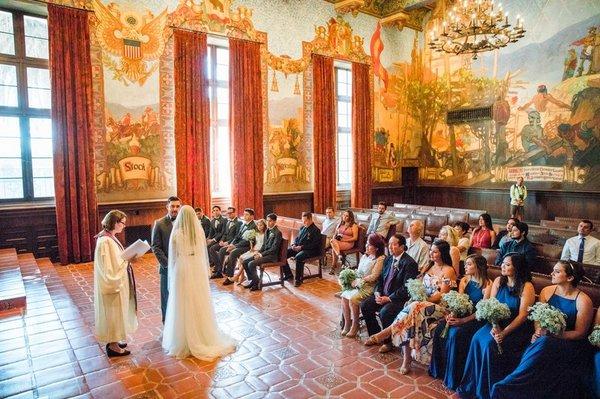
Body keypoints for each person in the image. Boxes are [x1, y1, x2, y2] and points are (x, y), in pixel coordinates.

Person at [491, 260, 594, 399]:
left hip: (569, 343)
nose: (552, 273)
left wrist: (553, 335)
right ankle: (515, 385)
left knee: (544, 343)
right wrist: (537, 331)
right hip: (544, 338)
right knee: (541, 343)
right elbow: (537, 317)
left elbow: (580, 333)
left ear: (570, 278)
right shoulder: (547, 291)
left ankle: (510, 385)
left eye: (557, 271)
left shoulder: (583, 300)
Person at [364, 239, 457, 374]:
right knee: (411, 314)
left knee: (414, 306)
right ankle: (406, 360)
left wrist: (424, 299)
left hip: (439, 307)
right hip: (421, 306)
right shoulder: (429, 267)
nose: (431, 254)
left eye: (435, 252)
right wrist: (417, 294)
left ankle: (387, 333)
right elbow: (419, 285)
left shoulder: (449, 271)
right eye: (431, 251)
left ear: (442, 253)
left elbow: (443, 295)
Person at [162, 205, 237, 360]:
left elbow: (174, 256)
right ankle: (202, 333)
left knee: (182, 300)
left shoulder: (177, 234)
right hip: (196, 268)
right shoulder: (199, 232)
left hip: (182, 268)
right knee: (198, 298)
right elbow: (202, 253)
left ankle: (182, 337)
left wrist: (173, 272)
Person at [457, 253, 535, 399]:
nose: (502, 266)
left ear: (517, 267)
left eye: (507, 264)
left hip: (514, 327)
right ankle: (471, 385)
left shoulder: (527, 286)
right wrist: (494, 324)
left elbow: (523, 316)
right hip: (495, 322)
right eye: (503, 263)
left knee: (489, 345)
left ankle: (486, 391)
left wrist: (504, 332)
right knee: (476, 338)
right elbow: (491, 306)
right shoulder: (499, 281)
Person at [429, 255, 492, 391]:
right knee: (441, 328)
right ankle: (439, 370)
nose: (465, 266)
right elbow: (458, 301)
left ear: (478, 267)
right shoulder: (464, 280)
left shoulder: (488, 285)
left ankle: (454, 377)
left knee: (456, 334)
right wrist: (452, 315)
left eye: (469, 264)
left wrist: (462, 321)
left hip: (475, 319)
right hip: (461, 314)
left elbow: (481, 311)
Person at [360, 234, 419, 354]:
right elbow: (381, 279)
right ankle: (375, 335)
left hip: (398, 299)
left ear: (402, 247)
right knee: (365, 305)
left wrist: (389, 298)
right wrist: (377, 293)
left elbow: (406, 288)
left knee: (385, 312)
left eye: (394, 244)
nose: (390, 247)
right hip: (383, 295)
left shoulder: (409, 263)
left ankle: (388, 342)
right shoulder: (388, 259)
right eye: (389, 244)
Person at [94, 210, 138, 357]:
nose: (124, 226)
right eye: (123, 223)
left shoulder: (109, 237)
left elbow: (116, 259)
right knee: (113, 312)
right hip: (113, 284)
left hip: (119, 281)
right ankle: (113, 346)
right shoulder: (105, 241)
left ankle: (115, 340)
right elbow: (109, 266)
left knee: (118, 312)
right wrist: (127, 259)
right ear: (115, 222)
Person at [340, 234, 385, 338]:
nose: (366, 246)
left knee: (353, 299)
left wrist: (360, 280)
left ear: (377, 247)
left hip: (370, 286)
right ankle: (348, 324)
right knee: (344, 296)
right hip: (359, 283)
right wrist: (351, 277)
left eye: (369, 245)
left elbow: (374, 276)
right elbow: (358, 271)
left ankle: (355, 325)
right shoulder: (365, 256)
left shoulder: (380, 259)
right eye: (366, 244)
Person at [151, 196, 181, 323]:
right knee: (166, 296)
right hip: (166, 267)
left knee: (181, 296)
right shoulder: (159, 223)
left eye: (177, 206)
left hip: (183, 267)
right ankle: (167, 323)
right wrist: (168, 265)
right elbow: (156, 247)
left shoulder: (184, 223)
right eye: (172, 206)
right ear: (167, 207)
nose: (175, 209)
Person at [242, 214, 283, 291]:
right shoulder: (267, 230)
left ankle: (256, 283)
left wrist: (261, 254)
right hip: (265, 254)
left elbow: (274, 249)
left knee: (251, 264)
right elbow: (264, 245)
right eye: (267, 220)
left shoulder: (277, 233)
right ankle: (254, 280)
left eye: (270, 221)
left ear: (274, 221)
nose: (268, 222)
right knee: (245, 262)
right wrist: (258, 253)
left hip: (272, 256)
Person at [283, 212, 322, 287]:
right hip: (299, 248)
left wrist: (301, 247)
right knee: (284, 253)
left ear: (310, 219)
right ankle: (288, 274)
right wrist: (293, 244)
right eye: (303, 221)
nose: (304, 223)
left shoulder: (316, 230)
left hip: (311, 251)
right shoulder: (302, 228)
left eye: (305, 221)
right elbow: (297, 238)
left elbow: (314, 245)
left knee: (299, 257)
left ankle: (298, 279)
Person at [222, 209, 257, 285]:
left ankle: (230, 277)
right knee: (224, 249)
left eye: (246, 214)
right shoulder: (244, 224)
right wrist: (232, 244)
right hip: (239, 244)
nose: (244, 216)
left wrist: (235, 246)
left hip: (248, 246)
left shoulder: (254, 226)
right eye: (244, 214)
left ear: (252, 216)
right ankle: (224, 271)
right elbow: (237, 236)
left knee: (233, 253)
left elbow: (248, 241)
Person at [209, 207, 241, 278]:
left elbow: (237, 236)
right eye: (228, 213)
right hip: (225, 242)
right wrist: (222, 241)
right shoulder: (228, 222)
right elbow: (225, 234)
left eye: (231, 213)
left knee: (221, 250)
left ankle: (219, 272)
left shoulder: (239, 222)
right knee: (212, 248)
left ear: (235, 213)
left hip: (233, 243)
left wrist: (228, 242)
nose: (229, 214)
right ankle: (218, 267)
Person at [233, 219, 266, 286]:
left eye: (261, 225)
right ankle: (242, 276)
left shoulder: (266, 234)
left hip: (259, 251)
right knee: (241, 257)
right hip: (254, 249)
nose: (259, 227)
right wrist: (252, 247)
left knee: (244, 259)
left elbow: (264, 245)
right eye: (258, 225)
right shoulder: (256, 233)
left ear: (264, 226)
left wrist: (257, 251)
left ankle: (238, 276)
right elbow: (255, 243)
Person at [329, 210, 359, 274]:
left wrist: (344, 240)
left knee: (334, 247)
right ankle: (339, 256)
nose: (344, 217)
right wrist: (335, 238)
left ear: (350, 217)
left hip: (349, 243)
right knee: (333, 241)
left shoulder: (354, 225)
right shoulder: (340, 224)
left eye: (346, 216)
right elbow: (335, 234)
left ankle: (333, 267)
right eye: (344, 215)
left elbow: (355, 238)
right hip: (339, 242)